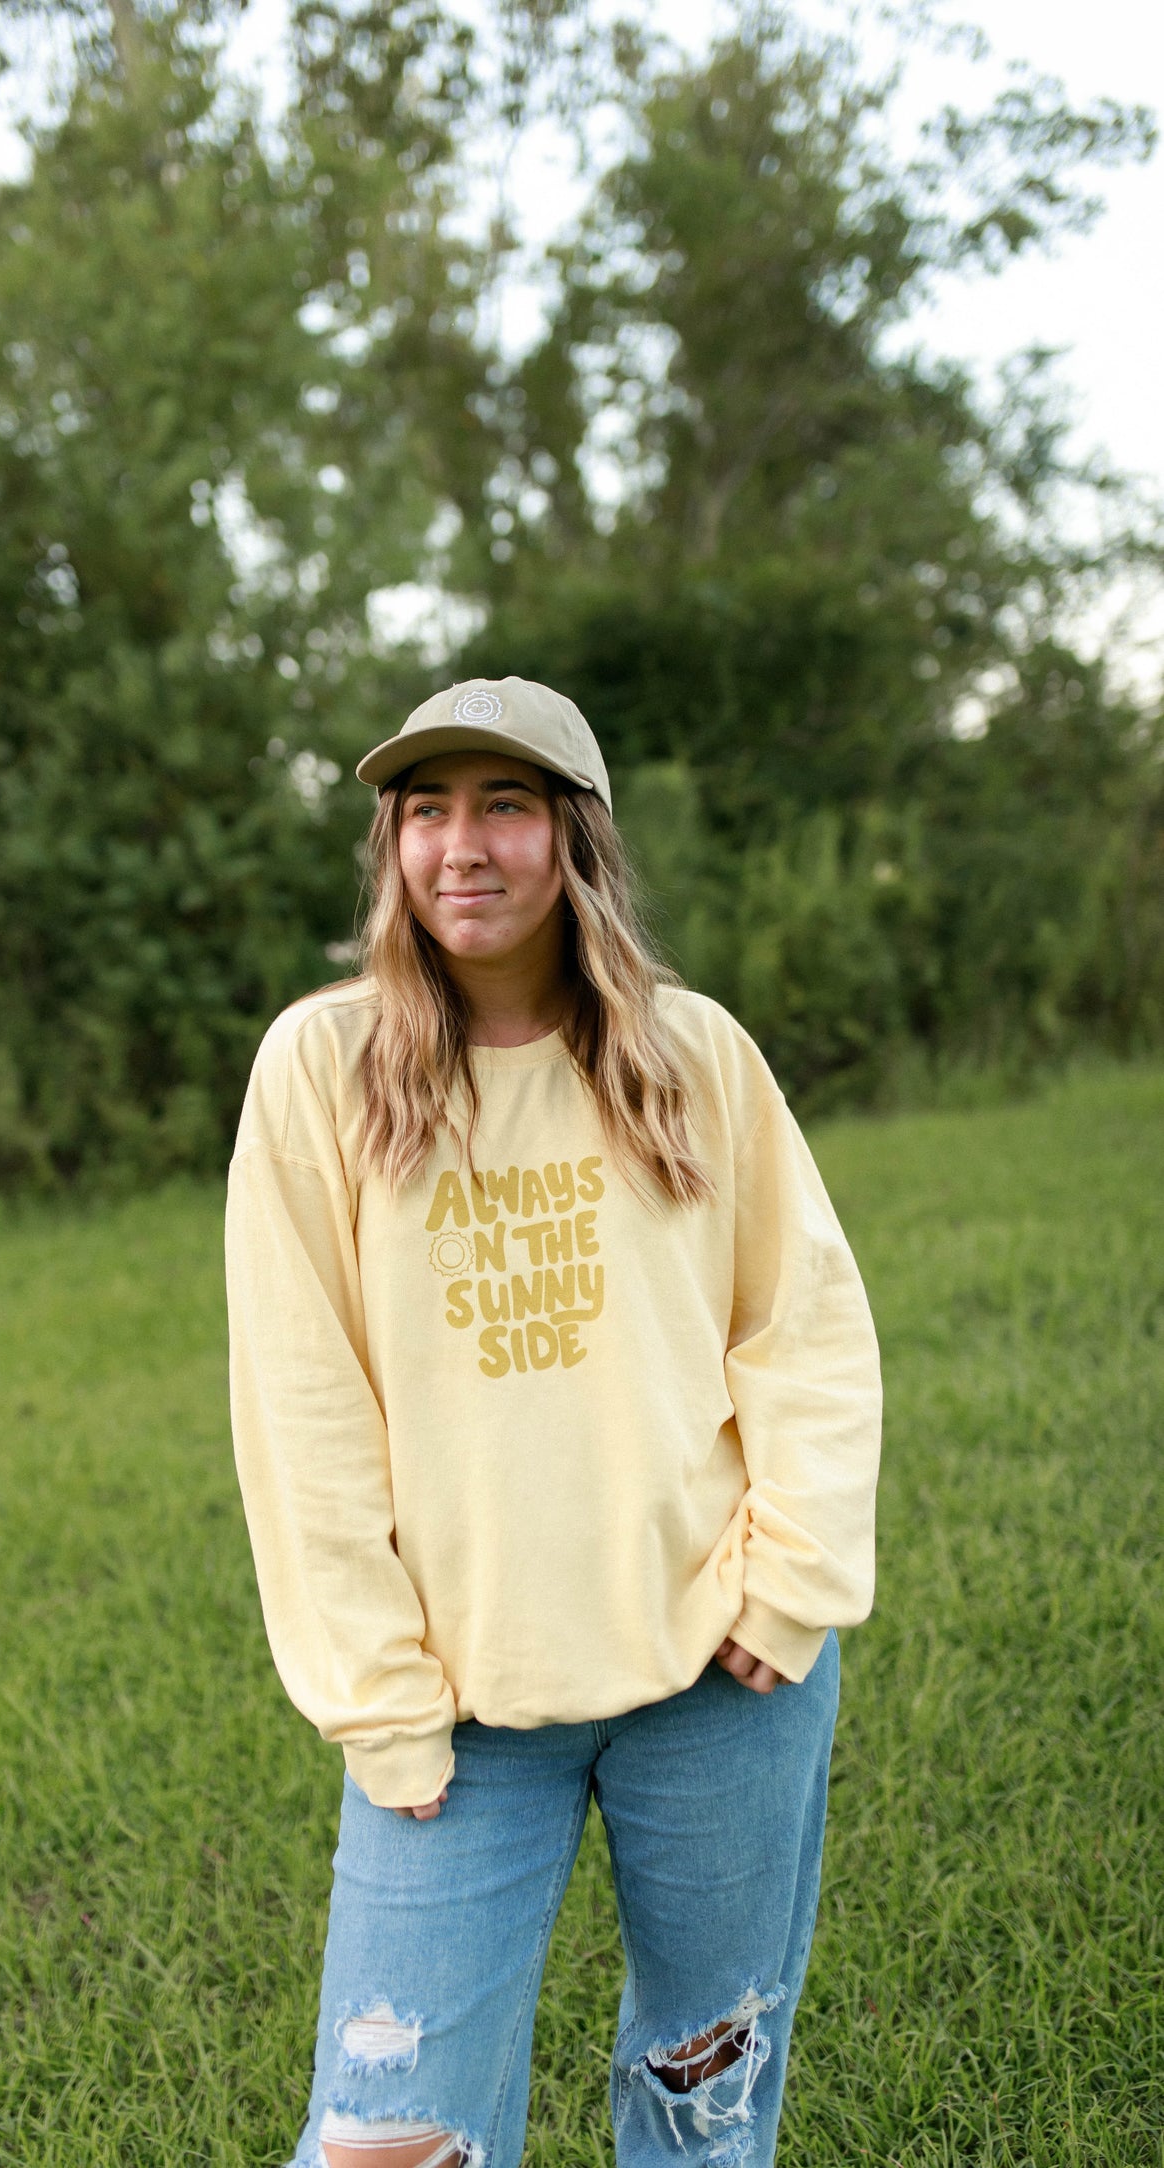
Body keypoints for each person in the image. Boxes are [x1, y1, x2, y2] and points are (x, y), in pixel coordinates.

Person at [225, 676, 882, 2168]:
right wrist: (377, 1695)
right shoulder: (319, 1073)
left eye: (504, 805)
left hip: (718, 1672)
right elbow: (300, 1410)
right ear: (391, 847)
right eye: (426, 810)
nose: (462, 844)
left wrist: (791, 1584)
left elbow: (805, 1331)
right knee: (391, 2139)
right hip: (452, 1708)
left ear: (572, 839)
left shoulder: (690, 1054)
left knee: (699, 2098)